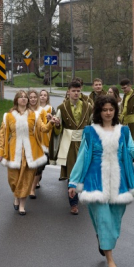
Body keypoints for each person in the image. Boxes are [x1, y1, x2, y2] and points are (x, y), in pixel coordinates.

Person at [68, 95, 134, 267]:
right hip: (95, 182)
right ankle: (110, 259)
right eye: (104, 110)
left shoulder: (123, 131)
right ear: (99, 112)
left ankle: (103, 238)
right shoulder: (90, 132)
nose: (108, 113)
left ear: (115, 111)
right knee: (103, 219)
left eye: (111, 110)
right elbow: (82, 157)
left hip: (120, 183)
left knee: (114, 220)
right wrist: (73, 181)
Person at [0, 90, 48, 215]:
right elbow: (2, 134)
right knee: (13, 179)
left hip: (30, 152)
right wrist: (0, 151)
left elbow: (43, 128)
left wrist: (52, 122)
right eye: (21, 97)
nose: (24, 99)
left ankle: (22, 206)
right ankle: (16, 196)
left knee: (27, 179)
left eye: (26, 97)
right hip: (14, 151)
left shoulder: (34, 115)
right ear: (16, 100)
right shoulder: (8, 116)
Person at [52, 80, 93, 215]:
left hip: (84, 142)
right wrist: (57, 124)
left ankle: (86, 196)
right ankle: (73, 203)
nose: (76, 93)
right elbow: (58, 128)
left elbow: (93, 123)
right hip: (69, 143)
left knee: (86, 170)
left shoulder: (88, 106)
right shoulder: (62, 108)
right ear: (68, 92)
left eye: (78, 91)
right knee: (72, 173)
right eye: (73, 91)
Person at [30, 89, 53, 199]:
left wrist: (50, 121)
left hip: (43, 140)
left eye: (45, 95)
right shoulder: (25, 110)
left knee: (39, 166)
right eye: (41, 95)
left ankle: (32, 188)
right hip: (29, 141)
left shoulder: (45, 110)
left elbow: (45, 127)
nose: (34, 99)